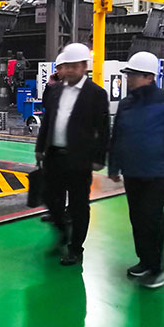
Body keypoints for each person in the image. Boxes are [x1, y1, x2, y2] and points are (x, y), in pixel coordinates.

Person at [108, 51, 164, 288]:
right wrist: (114, 166)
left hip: (159, 172)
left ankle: (157, 268)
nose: (128, 79)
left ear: (149, 76)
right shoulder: (126, 104)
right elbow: (117, 137)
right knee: (137, 217)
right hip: (132, 172)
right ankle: (144, 260)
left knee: (152, 217)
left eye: (133, 75)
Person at [35, 43, 109, 265]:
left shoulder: (96, 94)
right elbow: (47, 121)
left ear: (84, 67)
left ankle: (76, 248)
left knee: (78, 206)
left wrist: (99, 158)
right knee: (51, 198)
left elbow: (103, 129)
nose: (68, 70)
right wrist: (40, 147)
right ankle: (63, 232)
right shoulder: (55, 91)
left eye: (73, 66)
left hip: (79, 159)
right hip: (54, 156)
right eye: (66, 66)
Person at [40, 52, 67, 223]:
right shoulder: (56, 88)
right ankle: (57, 212)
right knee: (56, 183)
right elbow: (46, 105)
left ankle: (70, 213)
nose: (58, 71)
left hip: (72, 147)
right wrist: (50, 85)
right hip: (55, 145)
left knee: (71, 184)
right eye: (57, 68)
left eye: (60, 68)